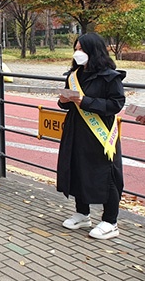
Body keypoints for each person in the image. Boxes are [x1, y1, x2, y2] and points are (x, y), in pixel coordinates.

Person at [57, 33, 125, 240]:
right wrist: (64, 101)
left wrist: (85, 102)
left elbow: (116, 104)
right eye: (76, 49)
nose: (78, 53)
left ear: (93, 51)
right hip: (75, 130)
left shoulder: (110, 76)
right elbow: (67, 102)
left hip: (99, 134)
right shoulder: (74, 74)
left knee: (107, 174)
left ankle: (110, 221)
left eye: (82, 49)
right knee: (77, 168)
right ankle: (82, 213)